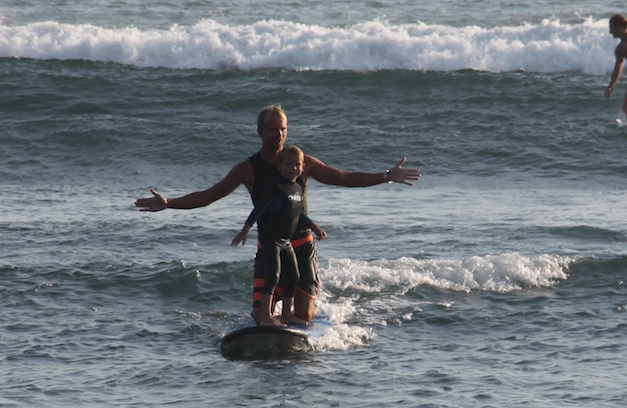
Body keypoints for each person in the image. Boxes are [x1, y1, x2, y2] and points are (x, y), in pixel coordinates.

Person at [134, 104, 420, 323]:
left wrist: (385, 176)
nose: (279, 134)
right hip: (271, 246)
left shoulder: (302, 162)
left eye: (283, 129)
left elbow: (342, 177)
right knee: (261, 317)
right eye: (273, 129)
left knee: (303, 315)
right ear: (260, 132)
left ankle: (305, 303)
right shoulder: (247, 169)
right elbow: (210, 196)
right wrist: (169, 203)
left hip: (302, 246)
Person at [231, 146, 326, 326]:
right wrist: (245, 230)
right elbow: (258, 209)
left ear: (302, 167)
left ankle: (286, 314)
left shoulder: (297, 187)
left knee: (293, 276)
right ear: (280, 167)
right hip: (271, 240)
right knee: (273, 277)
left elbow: (299, 214)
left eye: (297, 165)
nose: (293, 168)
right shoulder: (276, 187)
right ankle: (266, 316)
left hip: (285, 241)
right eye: (288, 164)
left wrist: (314, 227)